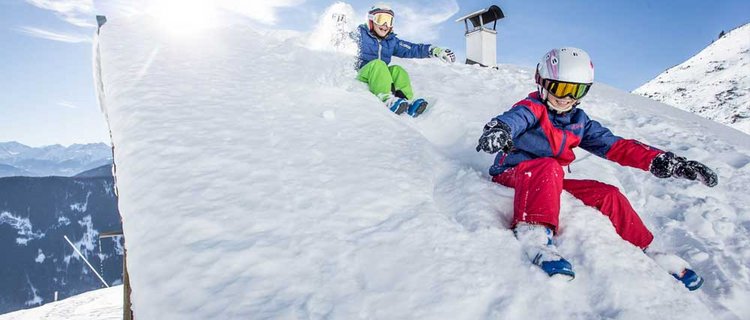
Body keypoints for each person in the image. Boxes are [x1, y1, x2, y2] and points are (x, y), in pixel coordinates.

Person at [476, 47, 718, 290]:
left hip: (550, 180)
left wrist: (665, 161)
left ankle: (651, 250)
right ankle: (535, 236)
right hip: (514, 175)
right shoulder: (532, 108)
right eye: (560, 88)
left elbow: (617, 146)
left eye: (576, 90)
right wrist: (499, 129)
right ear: (542, 83)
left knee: (608, 193)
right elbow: (514, 119)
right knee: (549, 166)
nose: (566, 97)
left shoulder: (579, 122)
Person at [354, 3, 456, 117]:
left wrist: (433, 50)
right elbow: (342, 40)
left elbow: (411, 49)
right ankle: (387, 99)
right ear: (371, 20)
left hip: (379, 74)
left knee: (397, 70)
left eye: (389, 21)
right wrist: (338, 29)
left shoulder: (391, 41)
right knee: (378, 64)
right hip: (362, 72)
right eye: (381, 19)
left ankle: (406, 102)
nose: (385, 24)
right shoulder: (360, 34)